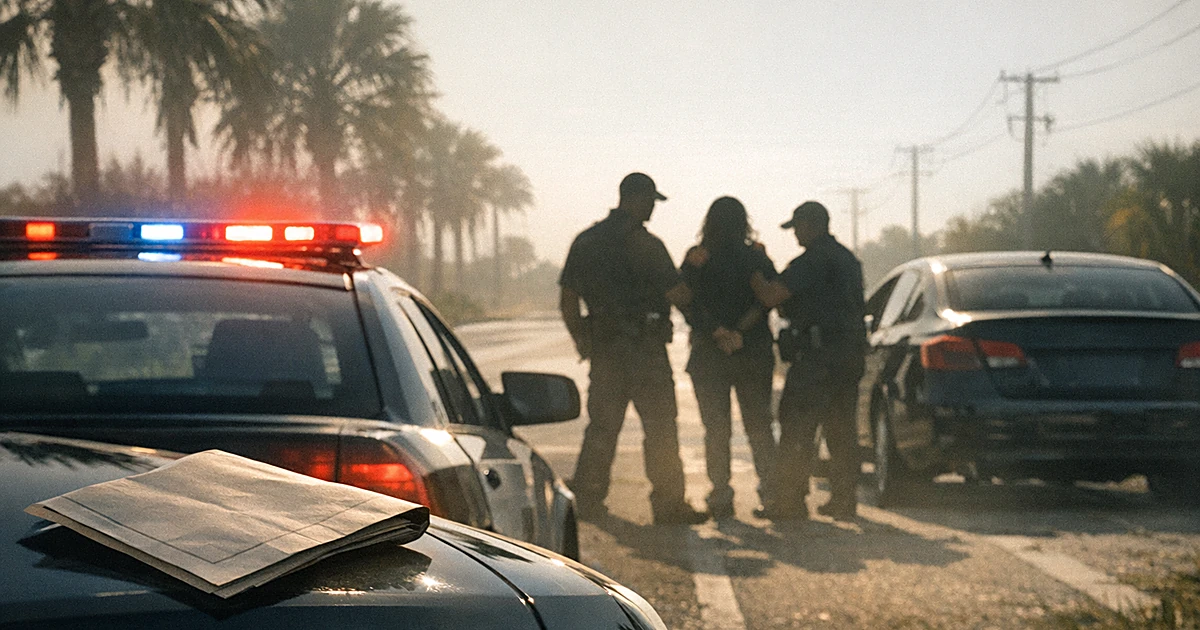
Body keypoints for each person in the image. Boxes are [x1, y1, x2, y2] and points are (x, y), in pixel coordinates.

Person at [559, 172, 708, 525]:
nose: (653, 209)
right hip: (646, 352)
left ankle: (589, 497)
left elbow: (568, 299)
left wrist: (582, 338)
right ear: (636, 199)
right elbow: (679, 294)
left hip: (607, 351)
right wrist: (694, 278)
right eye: (651, 202)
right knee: (660, 428)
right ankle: (669, 504)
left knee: (602, 426)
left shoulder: (586, 241)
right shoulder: (648, 245)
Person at [750, 201, 866, 521]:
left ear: (811, 225)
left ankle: (789, 502)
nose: (795, 235)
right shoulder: (848, 260)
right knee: (841, 431)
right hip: (848, 355)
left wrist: (758, 269)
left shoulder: (810, 262)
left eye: (797, 228)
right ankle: (844, 501)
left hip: (816, 358)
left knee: (797, 429)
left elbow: (771, 296)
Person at [679, 197, 778, 519]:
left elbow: (686, 301)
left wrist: (716, 331)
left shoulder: (697, 259)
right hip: (753, 350)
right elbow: (768, 299)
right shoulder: (756, 256)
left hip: (709, 352)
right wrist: (739, 331)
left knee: (716, 429)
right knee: (759, 425)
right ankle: (771, 493)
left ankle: (721, 496)